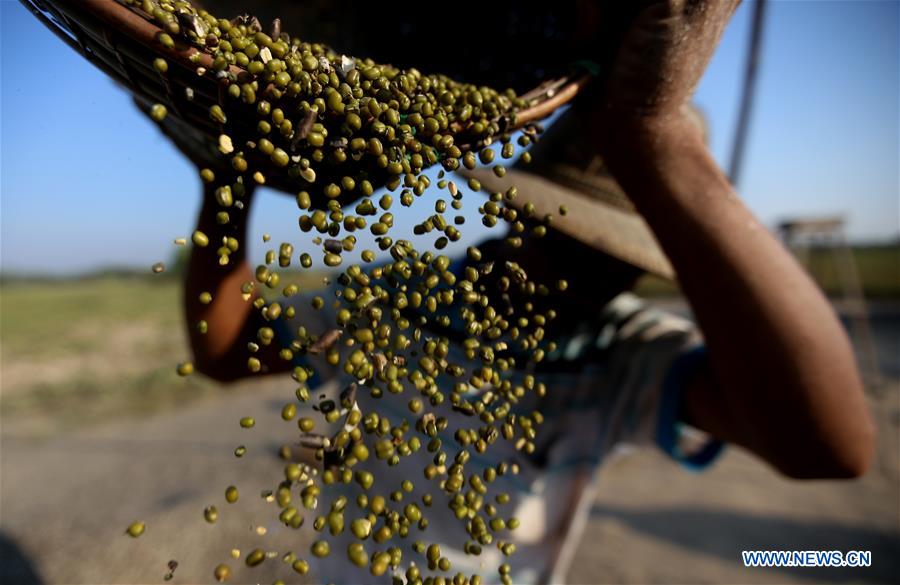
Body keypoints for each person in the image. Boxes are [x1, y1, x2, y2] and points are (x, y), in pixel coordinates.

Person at [170, 1, 875, 582]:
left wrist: (655, 139)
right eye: (570, 242)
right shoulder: (393, 299)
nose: (590, 278)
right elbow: (227, 350)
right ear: (522, 215)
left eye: (614, 262)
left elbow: (829, 446)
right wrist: (226, 180)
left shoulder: (619, 354)